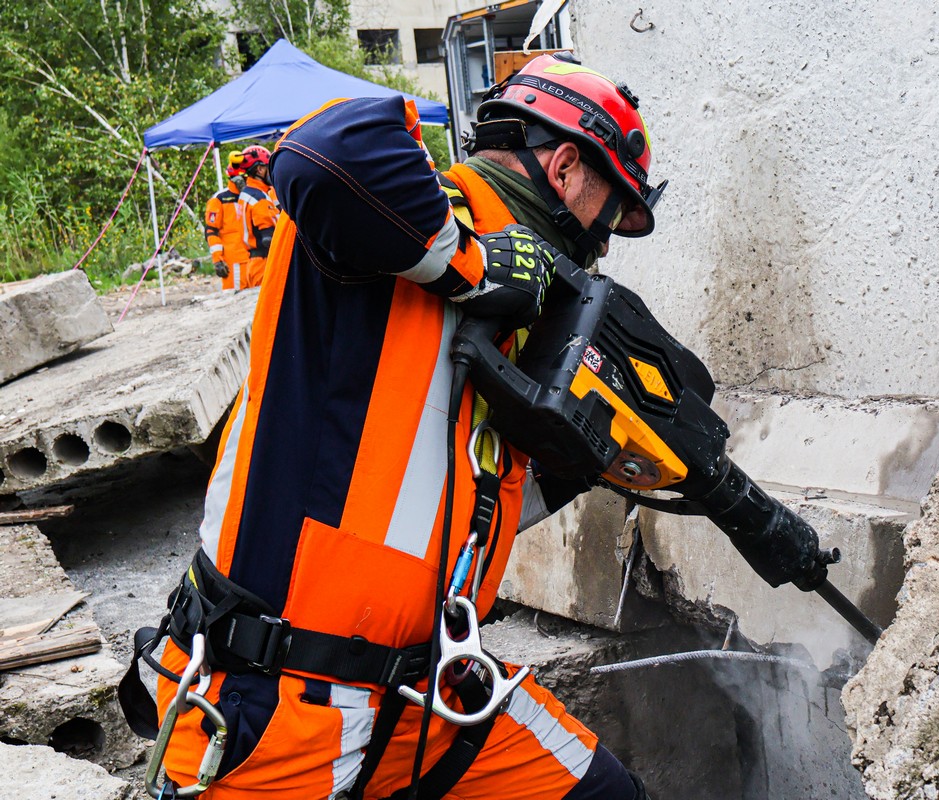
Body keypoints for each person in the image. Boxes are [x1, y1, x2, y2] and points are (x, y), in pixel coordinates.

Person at [147, 53, 664, 799]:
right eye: (611, 209)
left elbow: (456, 500)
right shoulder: (401, 217)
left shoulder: (517, 316)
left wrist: (591, 454)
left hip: (429, 694)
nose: (607, 241)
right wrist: (473, 264)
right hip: (272, 704)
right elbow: (323, 154)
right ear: (564, 167)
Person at [204, 151, 251, 291]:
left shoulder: (254, 197)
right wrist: (217, 259)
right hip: (233, 262)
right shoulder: (219, 199)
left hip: (255, 259)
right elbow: (211, 231)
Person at [236, 144, 280, 288]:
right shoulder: (259, 198)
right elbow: (268, 237)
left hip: (255, 262)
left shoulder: (246, 194)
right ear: (260, 169)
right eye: (268, 167)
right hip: (264, 263)